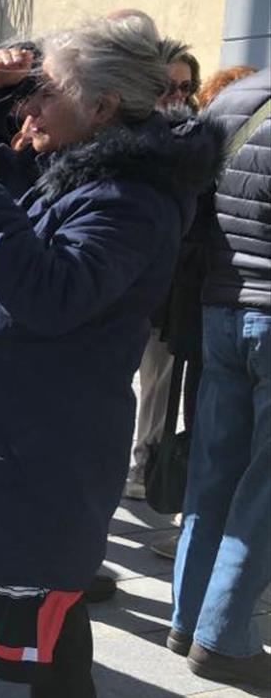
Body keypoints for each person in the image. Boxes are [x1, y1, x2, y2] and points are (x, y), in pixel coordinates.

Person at [0, 17, 224, 698]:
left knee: (49, 645)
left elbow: (51, 293)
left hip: (46, 450)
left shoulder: (129, 198)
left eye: (43, 92)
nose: (26, 108)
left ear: (102, 106)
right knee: (38, 636)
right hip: (22, 437)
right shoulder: (86, 168)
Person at [168, 68, 270, 690]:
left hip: (220, 304)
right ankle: (224, 637)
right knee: (263, 484)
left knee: (213, 470)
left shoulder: (232, 97)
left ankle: (187, 616)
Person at [125, 44, 204, 503]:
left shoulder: (194, 141)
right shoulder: (123, 131)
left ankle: (144, 465)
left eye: (184, 87)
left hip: (168, 284)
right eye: (166, 86)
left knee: (157, 380)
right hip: (118, 281)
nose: (175, 96)